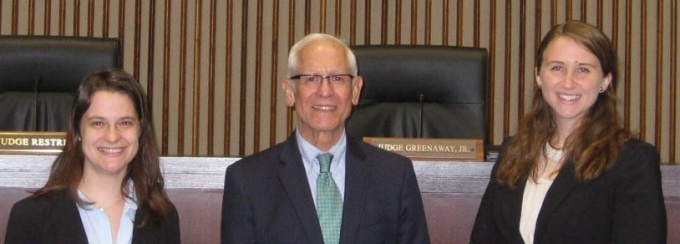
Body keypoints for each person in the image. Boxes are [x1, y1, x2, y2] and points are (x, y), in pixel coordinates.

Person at [220, 33, 430, 244]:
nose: (325, 91)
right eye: (311, 78)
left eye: (337, 78)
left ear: (356, 90)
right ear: (289, 92)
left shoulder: (394, 176)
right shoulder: (247, 181)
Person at [470, 21, 667, 243]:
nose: (568, 82)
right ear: (538, 75)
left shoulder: (631, 161)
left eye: (583, 70)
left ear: (605, 80)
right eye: (557, 68)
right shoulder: (513, 152)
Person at [5, 69, 180, 243]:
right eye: (98, 123)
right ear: (78, 131)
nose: (112, 136)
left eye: (125, 123)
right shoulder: (31, 218)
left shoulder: (163, 218)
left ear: (140, 130)